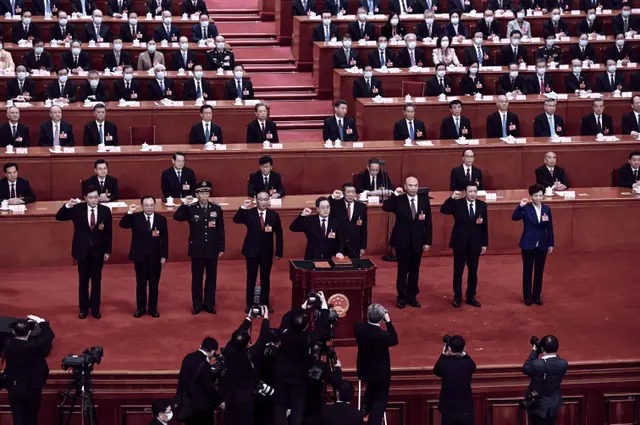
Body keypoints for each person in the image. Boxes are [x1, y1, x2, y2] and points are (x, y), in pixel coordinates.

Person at [55, 185, 112, 319]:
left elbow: (109, 233)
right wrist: (67, 205)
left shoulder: (105, 210)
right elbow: (59, 216)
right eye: (90, 197)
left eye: (96, 197)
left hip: (98, 251)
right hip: (82, 251)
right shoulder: (77, 209)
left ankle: (95, 308)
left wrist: (108, 250)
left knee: (97, 281)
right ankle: (83, 309)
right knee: (83, 281)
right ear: (85, 198)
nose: (93, 200)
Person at [275, 293, 330, 425]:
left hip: (282, 374)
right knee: (297, 409)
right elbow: (321, 328)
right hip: (298, 378)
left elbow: (286, 317)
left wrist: (303, 306)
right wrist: (324, 305)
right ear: (306, 326)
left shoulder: (284, 332)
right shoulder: (308, 339)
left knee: (280, 407)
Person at [174, 181, 225, 314]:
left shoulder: (216, 208)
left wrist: (221, 247)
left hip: (212, 248)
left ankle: (209, 304)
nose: (205, 195)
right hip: (197, 249)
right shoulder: (191, 208)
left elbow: (221, 230)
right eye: (202, 192)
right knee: (197, 278)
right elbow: (177, 217)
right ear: (197, 194)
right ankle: (197, 304)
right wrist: (184, 203)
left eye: (207, 192)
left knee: (211, 278)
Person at [382, 176, 432, 308]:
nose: (413, 188)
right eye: (410, 185)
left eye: (415, 185)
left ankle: (412, 296)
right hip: (402, 241)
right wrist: (394, 194)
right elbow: (386, 207)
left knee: (415, 270)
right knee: (403, 270)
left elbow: (428, 223)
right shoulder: (399, 200)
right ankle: (401, 297)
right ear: (405, 186)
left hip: (418, 241)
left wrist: (427, 241)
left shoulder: (424, 200)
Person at [119, 196, 169, 318]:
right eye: (147, 205)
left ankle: (153, 309)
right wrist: (129, 212)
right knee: (140, 283)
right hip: (140, 257)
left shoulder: (161, 219)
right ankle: (140, 309)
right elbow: (123, 224)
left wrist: (164, 255)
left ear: (154, 205)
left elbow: (165, 239)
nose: (149, 207)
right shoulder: (135, 217)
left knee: (154, 284)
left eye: (152, 205)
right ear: (142, 205)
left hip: (155, 257)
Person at [440, 183, 488, 308]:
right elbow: (443, 210)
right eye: (470, 191)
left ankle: (471, 296)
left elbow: (484, 226)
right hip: (460, 243)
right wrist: (451, 198)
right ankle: (457, 297)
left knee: (473, 272)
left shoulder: (482, 205)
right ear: (465, 192)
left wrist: (484, 243)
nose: (473, 194)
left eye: (475, 191)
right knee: (458, 271)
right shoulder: (457, 203)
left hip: (475, 244)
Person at [233, 193, 283, 312]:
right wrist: (243, 207)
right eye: (261, 200)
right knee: (251, 278)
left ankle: (265, 303)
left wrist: (279, 251)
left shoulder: (274, 215)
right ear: (256, 200)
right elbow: (236, 219)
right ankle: (249, 304)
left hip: (266, 252)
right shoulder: (249, 213)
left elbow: (279, 234)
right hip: (251, 251)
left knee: (265, 278)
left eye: (266, 200)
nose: (264, 202)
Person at [221, 307, 271, 425]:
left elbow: (236, 337)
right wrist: (265, 318)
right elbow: (263, 339)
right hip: (246, 400)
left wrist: (249, 318)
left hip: (230, 398)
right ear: (247, 344)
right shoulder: (250, 355)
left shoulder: (229, 350)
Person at [2, 315, 55, 425]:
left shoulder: (7, 344)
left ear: (13, 332)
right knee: (32, 417)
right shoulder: (35, 346)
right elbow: (48, 335)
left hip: (15, 388)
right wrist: (40, 321)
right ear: (30, 333)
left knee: (18, 416)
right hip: (32, 388)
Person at [354, 304, 398, 425]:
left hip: (364, 372)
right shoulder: (383, 336)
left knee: (372, 389)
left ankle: (365, 408)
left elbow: (363, 324)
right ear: (381, 318)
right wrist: (388, 321)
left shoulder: (358, 329)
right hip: (380, 375)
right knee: (380, 400)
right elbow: (394, 339)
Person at [512, 184, 555, 306]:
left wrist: (551, 243)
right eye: (536, 196)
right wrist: (520, 206)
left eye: (541, 195)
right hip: (528, 243)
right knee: (527, 270)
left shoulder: (547, 209)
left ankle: (537, 296)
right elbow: (514, 217)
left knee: (539, 271)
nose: (538, 198)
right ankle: (527, 297)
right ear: (531, 196)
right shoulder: (526, 208)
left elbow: (550, 227)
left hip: (542, 243)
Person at [522, 336, 568, 425]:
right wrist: (543, 350)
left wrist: (535, 352)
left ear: (542, 348)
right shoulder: (563, 364)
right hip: (554, 404)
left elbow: (526, 368)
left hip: (539, 406)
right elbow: (555, 360)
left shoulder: (537, 365)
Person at [176, 337, 221, 425]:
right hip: (201, 410)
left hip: (187, 406)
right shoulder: (205, 364)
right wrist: (218, 402)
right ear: (212, 351)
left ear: (201, 346)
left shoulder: (188, 358)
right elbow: (208, 388)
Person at [433, 335, 476, 425]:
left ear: (449, 348)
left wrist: (443, 354)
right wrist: (463, 353)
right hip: (465, 410)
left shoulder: (444, 364)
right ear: (464, 348)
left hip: (449, 410)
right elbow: (473, 365)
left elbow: (436, 371)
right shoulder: (468, 364)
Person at [289, 196, 346, 260]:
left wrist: (340, 252)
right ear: (317, 209)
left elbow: (341, 239)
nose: (325, 209)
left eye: (327, 207)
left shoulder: (336, 222)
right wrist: (302, 215)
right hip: (313, 257)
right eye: (323, 207)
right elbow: (293, 228)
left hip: (331, 258)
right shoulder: (310, 221)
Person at [329, 182, 368, 258]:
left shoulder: (362, 207)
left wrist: (362, 247)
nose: (350, 194)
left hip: (354, 245)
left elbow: (363, 228)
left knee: (354, 267)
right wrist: (333, 196)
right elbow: (324, 204)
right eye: (348, 192)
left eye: (353, 192)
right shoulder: (336, 205)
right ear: (343, 193)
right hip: (338, 244)